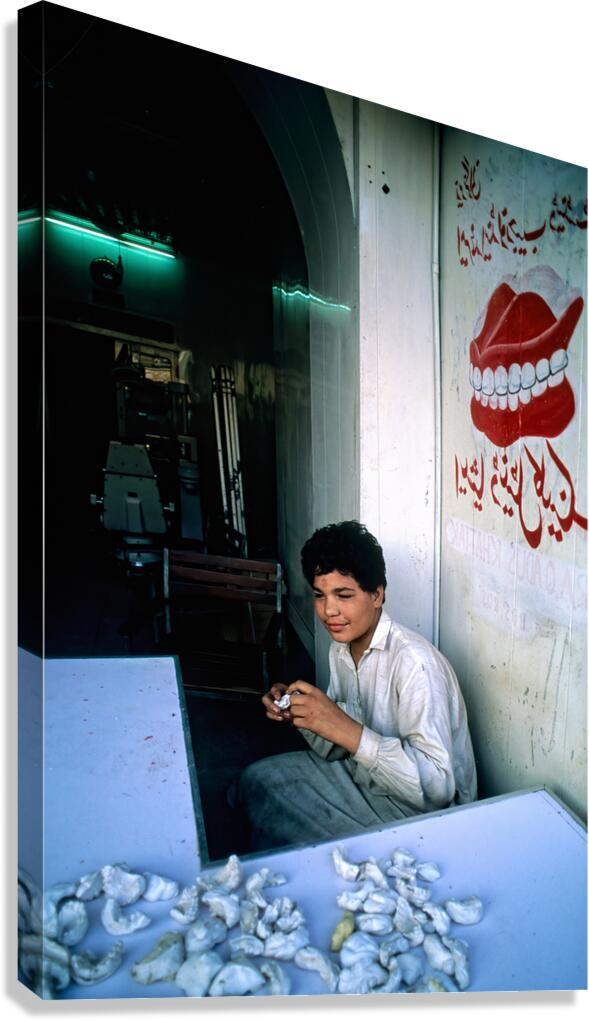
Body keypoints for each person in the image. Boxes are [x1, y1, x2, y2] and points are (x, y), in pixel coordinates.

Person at [237, 520, 477, 851]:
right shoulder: (341, 649)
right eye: (319, 595)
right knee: (255, 781)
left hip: (421, 816)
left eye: (344, 595)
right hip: (361, 777)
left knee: (305, 844)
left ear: (377, 595)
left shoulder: (416, 665)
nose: (328, 610)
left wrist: (348, 731)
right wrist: (300, 711)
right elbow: (335, 747)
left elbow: (437, 791)